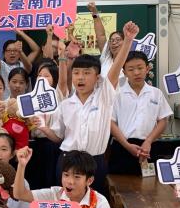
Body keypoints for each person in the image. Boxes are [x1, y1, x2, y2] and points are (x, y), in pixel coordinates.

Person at [50, 21, 140, 196]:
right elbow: (57, 136)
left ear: (97, 77)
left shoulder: (104, 96)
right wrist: (42, 127)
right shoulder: (66, 103)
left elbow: (114, 71)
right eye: (76, 73)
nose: (80, 78)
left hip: (95, 161)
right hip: (67, 160)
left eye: (86, 73)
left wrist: (128, 40)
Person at [109, 51, 172, 175]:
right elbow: (111, 122)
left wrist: (148, 141)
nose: (136, 72)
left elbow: (163, 121)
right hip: (122, 146)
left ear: (147, 68)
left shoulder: (156, 93)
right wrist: (127, 145)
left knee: (149, 188)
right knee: (119, 185)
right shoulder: (117, 94)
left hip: (147, 147)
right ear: (124, 72)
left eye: (140, 68)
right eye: (131, 69)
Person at [0, 23, 40, 99]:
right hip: (6, 104)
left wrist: (22, 34)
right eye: (8, 50)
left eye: (15, 50)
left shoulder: (23, 64)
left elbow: (36, 50)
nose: (12, 53)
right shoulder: (1, 66)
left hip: (24, 104)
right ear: (4, 53)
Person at [89, 3, 127, 88]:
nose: (114, 43)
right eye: (112, 40)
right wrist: (94, 13)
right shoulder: (106, 57)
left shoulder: (129, 61)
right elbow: (101, 35)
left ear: (125, 43)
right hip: (102, 98)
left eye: (118, 40)